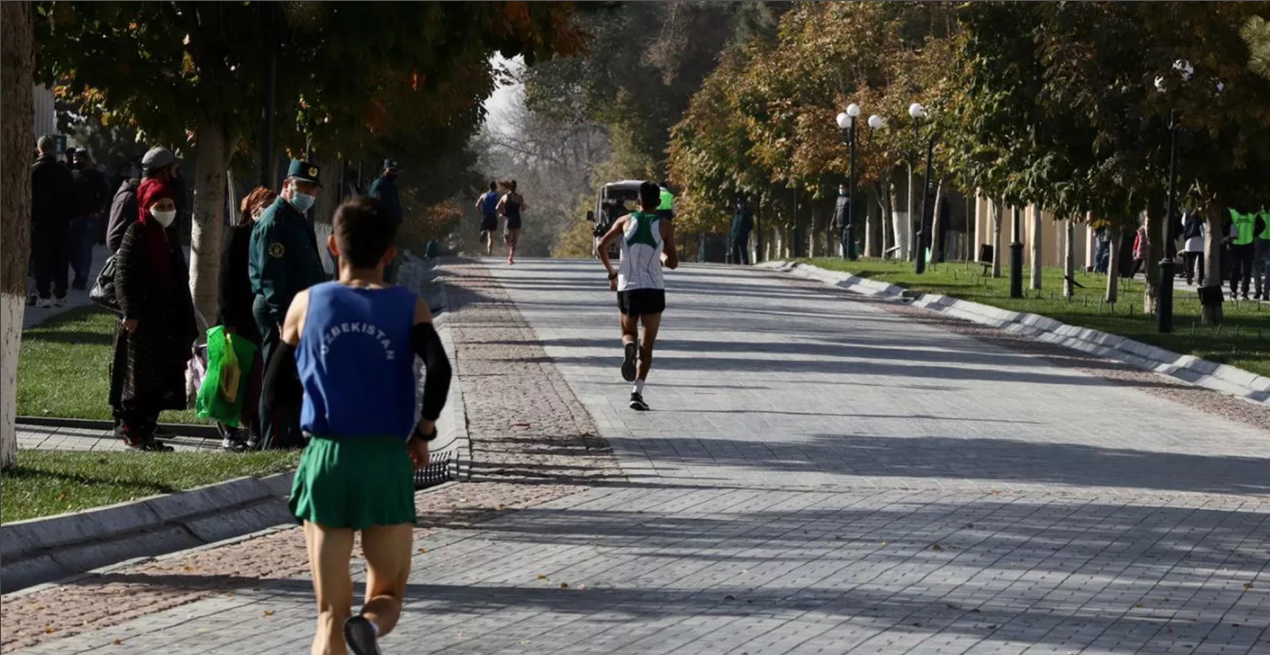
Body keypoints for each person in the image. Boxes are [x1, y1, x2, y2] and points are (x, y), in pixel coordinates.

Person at [267, 195, 451, 655]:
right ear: (390, 253)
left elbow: (274, 388)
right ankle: (368, 629)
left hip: (327, 457)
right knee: (386, 593)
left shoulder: (305, 304)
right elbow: (440, 369)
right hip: (387, 459)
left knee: (329, 612)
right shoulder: (410, 307)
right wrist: (424, 431)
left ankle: (346, 629)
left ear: (333, 245)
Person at [108, 177, 198, 451]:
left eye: (170, 204)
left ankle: (147, 433)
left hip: (167, 322)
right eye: (161, 205)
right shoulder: (136, 233)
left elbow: (178, 278)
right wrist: (130, 312)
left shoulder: (168, 235)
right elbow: (123, 276)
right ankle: (133, 434)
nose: (167, 209)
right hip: (142, 323)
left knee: (161, 381)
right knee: (139, 382)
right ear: (147, 206)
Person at [250, 159, 328, 450]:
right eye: (302, 186)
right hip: (280, 311)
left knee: (293, 377)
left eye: (312, 188)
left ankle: (291, 435)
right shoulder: (276, 221)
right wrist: (283, 318)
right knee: (276, 377)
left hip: (300, 311)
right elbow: (272, 276)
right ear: (287, 185)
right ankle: (274, 439)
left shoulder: (295, 217)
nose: (308, 192)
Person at [596, 181, 679, 412]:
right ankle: (637, 392)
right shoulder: (665, 226)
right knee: (649, 345)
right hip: (653, 289)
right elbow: (673, 263)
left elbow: (601, 245)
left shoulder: (624, 221)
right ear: (658, 202)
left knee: (627, 332)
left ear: (638, 201)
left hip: (628, 287)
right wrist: (661, 256)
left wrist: (612, 273)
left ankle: (628, 347)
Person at [216, 186, 277, 451]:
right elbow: (226, 281)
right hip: (237, 319)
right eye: (265, 204)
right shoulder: (237, 236)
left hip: (258, 320)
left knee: (255, 379)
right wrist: (228, 320)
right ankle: (229, 431)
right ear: (251, 209)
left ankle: (254, 427)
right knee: (231, 377)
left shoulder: (272, 236)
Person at [31, 136, 77, 308]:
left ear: (38, 150)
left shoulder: (33, 171)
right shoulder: (64, 171)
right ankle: (60, 294)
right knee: (60, 259)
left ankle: (43, 295)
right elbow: (73, 199)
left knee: (40, 259)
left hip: (39, 224)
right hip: (61, 224)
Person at [109, 148, 176, 254]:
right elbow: (114, 241)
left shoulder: (160, 197)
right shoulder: (128, 198)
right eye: (173, 171)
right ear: (164, 172)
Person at [69, 149, 111, 290]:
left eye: (79, 159)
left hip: (89, 217)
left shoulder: (95, 176)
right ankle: (78, 272)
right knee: (73, 250)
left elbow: (105, 194)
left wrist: (99, 211)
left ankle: (82, 277)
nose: (76, 162)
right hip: (74, 217)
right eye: (75, 159)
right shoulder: (73, 175)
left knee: (85, 248)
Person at [368, 160, 403, 283]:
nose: (393, 173)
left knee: (387, 266)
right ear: (384, 171)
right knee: (381, 268)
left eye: (395, 171)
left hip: (388, 232)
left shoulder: (391, 187)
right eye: (391, 170)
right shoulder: (379, 186)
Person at [1228, 208, 1258, 300]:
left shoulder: (1252, 213)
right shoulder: (1233, 212)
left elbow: (1261, 225)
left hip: (1245, 244)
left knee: (1243, 270)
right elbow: (1226, 225)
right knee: (1240, 270)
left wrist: (1253, 234)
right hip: (1239, 245)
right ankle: (1238, 292)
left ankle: (1241, 292)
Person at [496, 179, 527, 265]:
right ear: (516, 187)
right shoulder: (520, 197)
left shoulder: (504, 197)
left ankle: (510, 257)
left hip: (508, 219)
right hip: (516, 219)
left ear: (509, 187)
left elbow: (497, 207)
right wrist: (525, 207)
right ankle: (510, 257)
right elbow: (522, 209)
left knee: (508, 240)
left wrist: (502, 213)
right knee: (515, 241)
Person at [1180, 210, 1206, 287]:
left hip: (1190, 239)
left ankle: (1189, 275)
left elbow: (1183, 223)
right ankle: (1200, 280)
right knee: (1201, 262)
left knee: (1189, 259)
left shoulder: (1186, 213)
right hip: (1200, 239)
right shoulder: (1202, 213)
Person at [474, 181, 500, 256]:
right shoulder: (496, 195)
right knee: (491, 236)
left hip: (485, 216)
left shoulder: (484, 195)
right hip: (493, 216)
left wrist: (480, 212)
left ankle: (483, 231)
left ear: (489, 187)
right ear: (495, 188)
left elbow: (476, 205)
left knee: (484, 228)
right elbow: (498, 206)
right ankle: (489, 252)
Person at [730, 198, 754, 265]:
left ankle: (745, 262)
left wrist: (747, 230)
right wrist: (732, 231)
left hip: (743, 233)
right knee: (735, 249)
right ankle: (736, 262)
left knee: (743, 249)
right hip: (735, 234)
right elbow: (733, 223)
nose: (740, 205)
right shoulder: (736, 213)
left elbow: (751, 224)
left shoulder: (747, 213)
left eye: (741, 204)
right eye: (739, 204)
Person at [1254, 208, 1269, 301]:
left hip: (1258, 239)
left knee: (1256, 266)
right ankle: (1265, 292)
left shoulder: (1258, 209)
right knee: (1268, 267)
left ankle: (1258, 291)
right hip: (1264, 240)